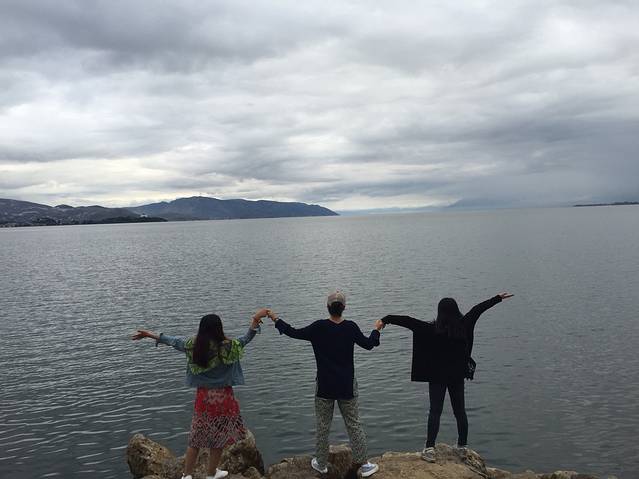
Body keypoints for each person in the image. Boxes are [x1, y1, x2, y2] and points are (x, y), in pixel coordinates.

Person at [132, 308, 270, 479]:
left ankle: (187, 475)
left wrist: (149, 335)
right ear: (219, 328)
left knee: (196, 439)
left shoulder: (194, 346)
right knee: (219, 438)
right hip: (224, 399)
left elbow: (173, 341)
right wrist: (255, 319)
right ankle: (211, 474)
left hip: (204, 399)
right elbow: (246, 338)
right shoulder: (229, 346)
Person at [380, 292, 513, 462]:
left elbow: (408, 321)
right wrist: (497, 298)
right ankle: (462, 447)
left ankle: (429, 448)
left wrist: (385, 319)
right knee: (460, 412)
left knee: (435, 411)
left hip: (437, 377)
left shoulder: (430, 330)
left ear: (440, 312)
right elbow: (478, 309)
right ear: (456, 311)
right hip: (457, 376)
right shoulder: (464, 325)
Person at [268, 291, 383, 477]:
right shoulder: (350, 327)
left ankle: (321, 464)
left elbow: (293, 332)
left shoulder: (318, 327)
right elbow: (370, 344)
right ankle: (364, 465)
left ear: (327, 307)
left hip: (324, 386)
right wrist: (377, 330)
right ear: (344, 307)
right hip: (346, 385)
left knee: (323, 426)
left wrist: (276, 319)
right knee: (354, 424)